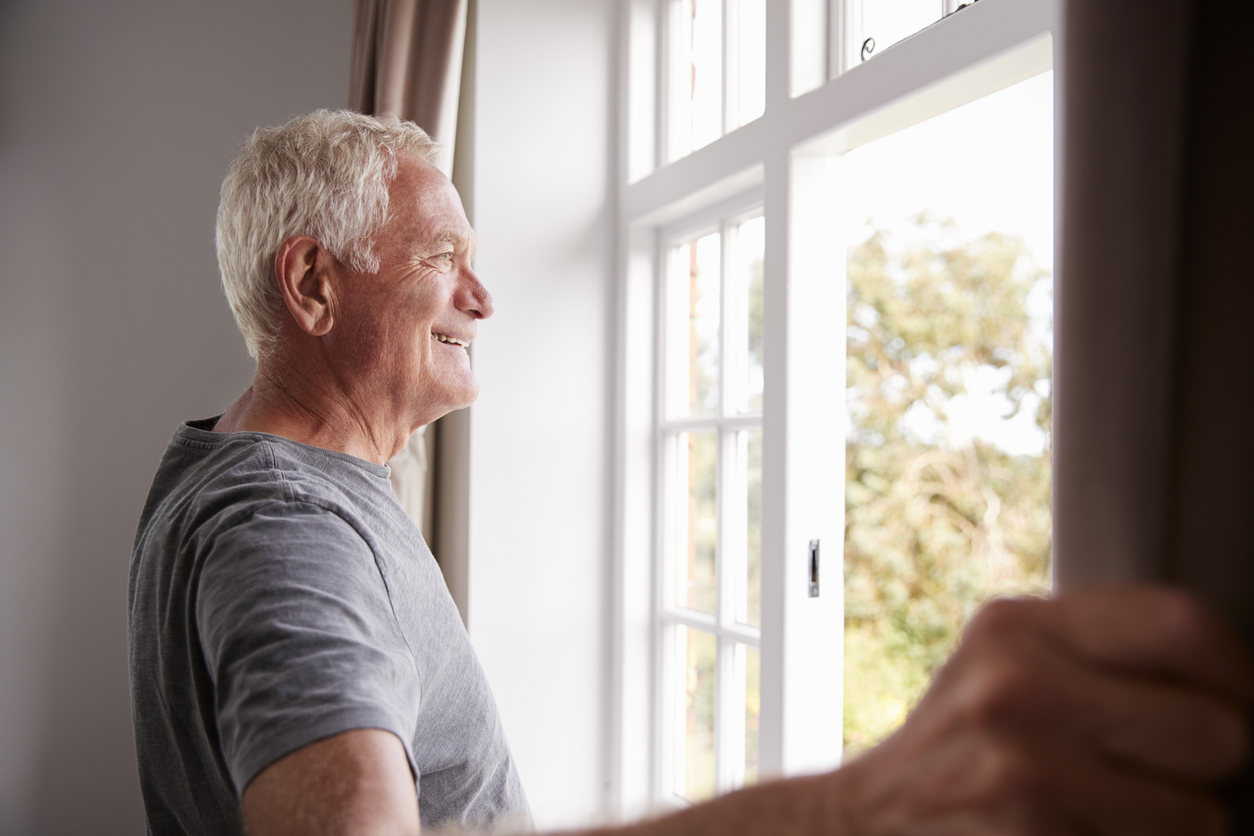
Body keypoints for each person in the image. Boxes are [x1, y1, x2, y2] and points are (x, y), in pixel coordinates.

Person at [128, 109, 1253, 836]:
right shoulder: (287, 525)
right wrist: (865, 804)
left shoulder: (244, 474)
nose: (483, 298)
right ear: (313, 287)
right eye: (441, 261)